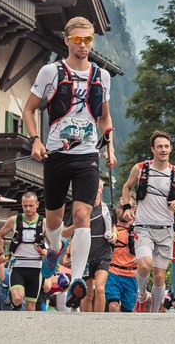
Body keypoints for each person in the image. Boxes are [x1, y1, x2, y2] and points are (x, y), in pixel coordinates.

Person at [22, 16, 116, 310]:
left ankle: (76, 279)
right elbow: (28, 110)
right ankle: (55, 249)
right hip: (56, 155)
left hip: (87, 155)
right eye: (78, 40)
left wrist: (110, 147)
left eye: (88, 39)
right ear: (67, 41)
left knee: (81, 216)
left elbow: (104, 117)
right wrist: (35, 140)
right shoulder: (51, 71)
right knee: (53, 222)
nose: (84, 45)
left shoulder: (102, 75)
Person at [121, 130, 175, 313]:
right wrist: (127, 207)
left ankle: (154, 314)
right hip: (143, 227)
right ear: (153, 149)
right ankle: (141, 295)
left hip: (166, 229)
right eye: (159, 146)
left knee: (159, 276)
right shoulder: (141, 168)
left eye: (166, 146)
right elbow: (127, 187)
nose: (163, 150)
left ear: (171, 148)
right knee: (145, 263)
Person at [67, 179, 117, 312]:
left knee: (100, 289)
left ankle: (99, 321)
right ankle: (86, 322)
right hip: (86, 255)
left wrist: (114, 235)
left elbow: (114, 228)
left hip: (103, 253)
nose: (95, 191)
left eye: (98, 188)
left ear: (101, 190)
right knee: (87, 294)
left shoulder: (109, 208)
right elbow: (68, 233)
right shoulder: (80, 210)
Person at [0, 192, 45, 311]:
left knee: (30, 307)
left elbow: (54, 244)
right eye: (25, 206)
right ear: (22, 206)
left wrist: (48, 253)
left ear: (37, 205)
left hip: (36, 268)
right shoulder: (14, 220)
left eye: (31, 206)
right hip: (18, 266)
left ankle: (27, 328)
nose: (28, 209)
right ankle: (14, 304)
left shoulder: (43, 222)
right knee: (18, 298)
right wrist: (2, 254)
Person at [105, 198, 139, 313]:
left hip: (132, 274)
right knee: (113, 305)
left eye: (126, 207)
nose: (121, 210)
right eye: (120, 206)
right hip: (113, 271)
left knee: (127, 311)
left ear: (133, 209)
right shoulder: (110, 225)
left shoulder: (139, 228)